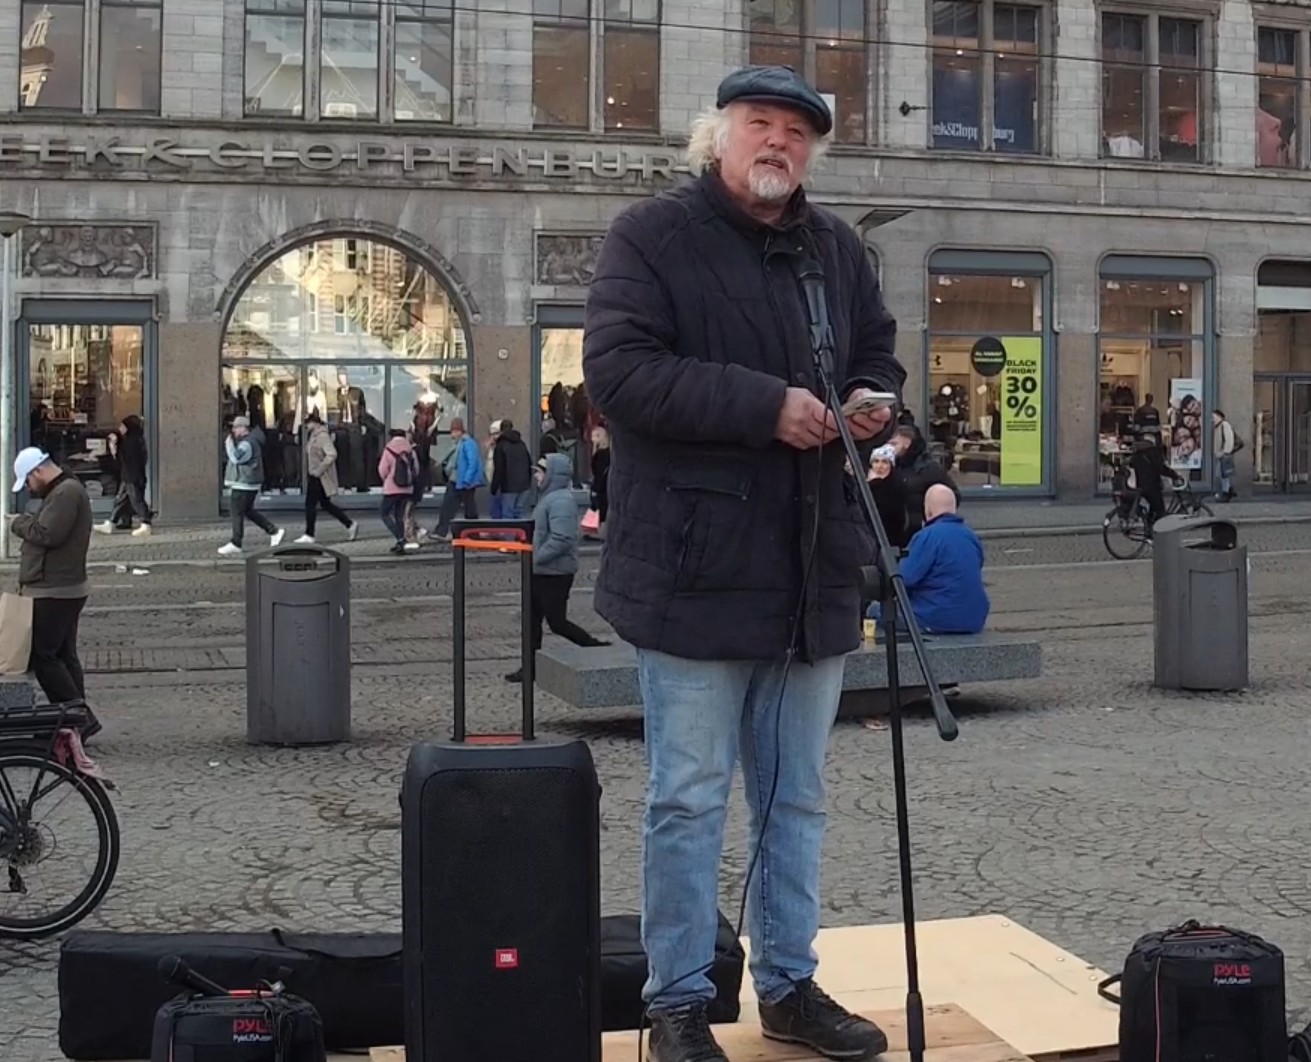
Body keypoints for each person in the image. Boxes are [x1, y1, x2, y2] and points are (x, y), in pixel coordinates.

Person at [583, 66, 904, 1062]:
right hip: (692, 571)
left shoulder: (836, 250)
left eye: (797, 133)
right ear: (716, 136)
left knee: (794, 794)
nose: (778, 143)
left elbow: (880, 351)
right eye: (760, 124)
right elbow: (622, 374)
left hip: (810, 566)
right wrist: (764, 406)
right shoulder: (652, 236)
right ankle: (676, 1000)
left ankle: (789, 985)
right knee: (686, 796)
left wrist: (869, 395)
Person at [10, 447, 99, 739]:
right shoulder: (65, 490)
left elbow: (47, 534)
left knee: (43, 656)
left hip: (55, 589)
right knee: (62, 654)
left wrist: (18, 522)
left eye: (27, 481)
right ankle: (74, 722)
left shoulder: (65, 493)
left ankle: (75, 719)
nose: (28, 487)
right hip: (62, 586)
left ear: (38, 471)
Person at [505, 454, 610, 684]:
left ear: (552, 474)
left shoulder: (560, 501)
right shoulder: (550, 498)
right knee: (531, 620)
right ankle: (529, 668)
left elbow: (562, 538)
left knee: (556, 622)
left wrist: (537, 557)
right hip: (542, 570)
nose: (536, 476)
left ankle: (594, 647)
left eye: (540, 471)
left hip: (555, 572)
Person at [868, 484, 989, 635]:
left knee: (875, 609)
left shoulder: (927, 536)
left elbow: (903, 579)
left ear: (928, 509)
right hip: (974, 619)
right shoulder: (970, 535)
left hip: (935, 617)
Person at [219, 416, 284, 556]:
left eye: (236, 427)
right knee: (248, 511)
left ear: (243, 428)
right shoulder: (251, 441)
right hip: (247, 484)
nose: (234, 430)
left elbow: (236, 458)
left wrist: (229, 444)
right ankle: (273, 531)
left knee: (236, 512)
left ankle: (236, 543)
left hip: (243, 484)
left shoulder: (247, 444)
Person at [888, 424, 958, 545]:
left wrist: (930, 520)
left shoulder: (928, 468)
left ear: (907, 443)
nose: (891, 448)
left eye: (894, 444)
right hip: (895, 532)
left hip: (920, 531)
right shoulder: (891, 466)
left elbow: (951, 495)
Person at [296, 410, 358, 544]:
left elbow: (332, 454)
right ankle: (349, 524)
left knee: (310, 504)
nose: (306, 426)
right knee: (325, 504)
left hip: (320, 476)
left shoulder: (322, 436)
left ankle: (309, 534)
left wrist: (320, 469)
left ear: (314, 423)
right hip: (315, 474)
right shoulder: (313, 435)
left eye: (308, 423)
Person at [95, 415, 152, 537]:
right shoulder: (135, 440)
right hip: (130, 476)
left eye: (122, 426)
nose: (120, 428)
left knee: (136, 500)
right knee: (121, 500)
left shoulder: (131, 443)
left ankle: (145, 523)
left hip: (132, 477)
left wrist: (114, 447)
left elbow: (123, 460)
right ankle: (111, 523)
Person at [432, 418, 484, 540]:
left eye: (455, 431)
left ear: (461, 431)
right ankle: (472, 534)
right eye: (452, 431)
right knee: (464, 508)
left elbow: (473, 463)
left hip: (462, 481)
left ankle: (442, 531)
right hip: (458, 480)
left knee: (455, 507)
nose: (453, 434)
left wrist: (467, 480)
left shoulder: (468, 443)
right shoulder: (461, 444)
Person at [1129, 430, 1183, 530]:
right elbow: (1161, 468)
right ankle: (1157, 535)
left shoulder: (1136, 454)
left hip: (1140, 485)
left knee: (1153, 508)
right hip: (1152, 486)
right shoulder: (1152, 452)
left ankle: (1149, 530)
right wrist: (1175, 475)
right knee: (1160, 510)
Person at [379, 429, 421, 554]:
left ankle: (400, 538)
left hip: (392, 489)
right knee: (399, 516)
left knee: (384, 513)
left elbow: (382, 470)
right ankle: (400, 543)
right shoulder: (410, 450)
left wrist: (386, 480)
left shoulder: (388, 449)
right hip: (407, 489)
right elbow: (416, 469)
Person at [490, 418, 534, 519]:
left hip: (508, 486)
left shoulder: (501, 446)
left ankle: (508, 535)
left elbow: (499, 469)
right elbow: (529, 463)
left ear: (501, 430)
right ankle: (521, 534)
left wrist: (494, 487)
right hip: (524, 485)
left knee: (507, 516)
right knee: (518, 513)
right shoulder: (521, 444)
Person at [1212, 409, 1236, 502]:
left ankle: (1226, 492)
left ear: (1219, 417)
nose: (1212, 419)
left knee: (1223, 475)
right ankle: (1226, 491)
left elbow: (1229, 440)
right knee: (1222, 475)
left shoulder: (1224, 425)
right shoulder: (1217, 427)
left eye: (1213, 417)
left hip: (1224, 455)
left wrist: (1225, 452)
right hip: (1220, 455)